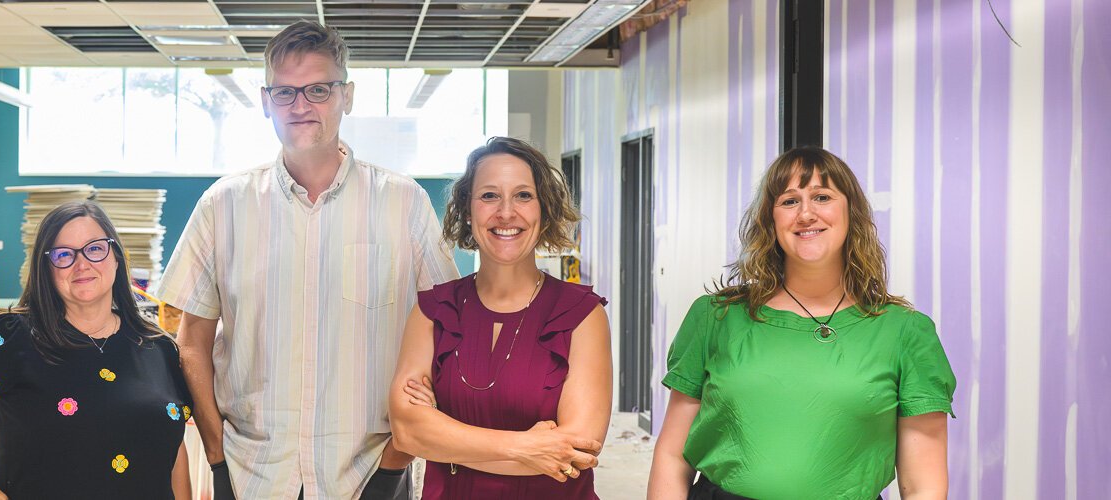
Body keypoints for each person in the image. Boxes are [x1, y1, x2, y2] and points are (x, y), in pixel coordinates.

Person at [155, 20, 461, 499]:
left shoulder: (404, 203)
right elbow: (191, 342)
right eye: (285, 93)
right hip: (252, 473)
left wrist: (396, 458)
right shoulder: (224, 205)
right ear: (264, 100)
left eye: (318, 89)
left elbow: (445, 334)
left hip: (368, 473)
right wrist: (215, 455)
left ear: (347, 95)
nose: (300, 106)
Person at [645, 147, 956, 500]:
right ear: (770, 220)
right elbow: (673, 456)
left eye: (822, 197)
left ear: (851, 213)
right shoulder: (715, 316)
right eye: (790, 201)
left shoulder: (905, 332)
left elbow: (923, 485)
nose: (806, 213)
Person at [0, 200, 193, 499]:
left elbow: (173, 449)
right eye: (64, 255)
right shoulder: (13, 337)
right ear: (46, 268)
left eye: (95, 248)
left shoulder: (157, 347)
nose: (82, 264)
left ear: (116, 258)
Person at [388, 137, 612, 499]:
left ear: (545, 209)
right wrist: (527, 447)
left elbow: (576, 451)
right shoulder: (434, 311)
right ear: (466, 210)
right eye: (489, 195)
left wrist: (446, 439)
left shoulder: (580, 315)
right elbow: (408, 433)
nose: (506, 212)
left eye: (523, 195)